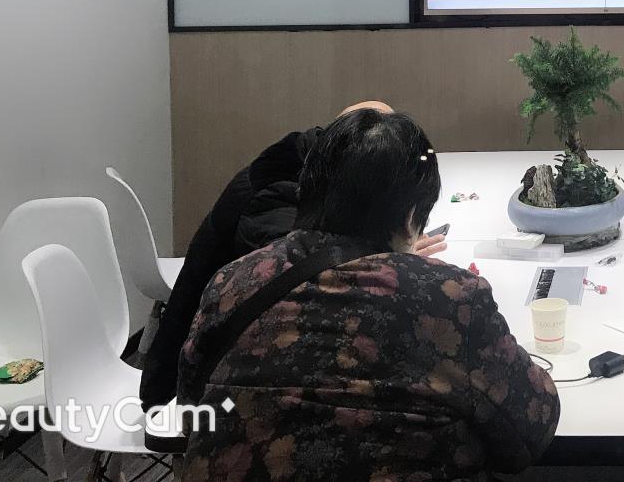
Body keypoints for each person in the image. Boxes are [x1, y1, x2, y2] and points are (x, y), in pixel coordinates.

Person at [177, 107, 559, 482]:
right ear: (411, 218)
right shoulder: (449, 298)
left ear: (307, 192)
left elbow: (191, 407)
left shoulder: (232, 282)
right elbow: (530, 431)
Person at [138, 101, 446, 410]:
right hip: (189, 389)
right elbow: (315, 281)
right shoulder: (271, 200)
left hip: (226, 373)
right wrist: (392, 255)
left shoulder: (299, 169)